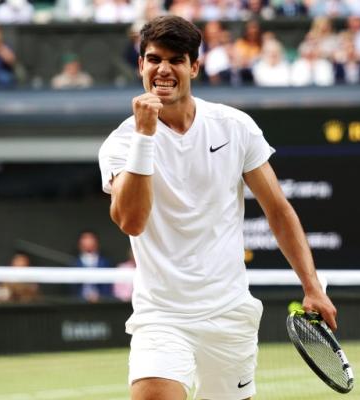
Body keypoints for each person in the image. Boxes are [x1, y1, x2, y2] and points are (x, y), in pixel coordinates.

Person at [98, 16, 337, 400]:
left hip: (228, 313)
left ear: (194, 66)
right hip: (161, 315)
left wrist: (313, 286)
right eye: (154, 58)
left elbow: (278, 210)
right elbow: (131, 221)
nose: (163, 69)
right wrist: (145, 136)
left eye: (176, 60)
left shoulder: (234, 126)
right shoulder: (122, 143)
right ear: (141, 64)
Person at [72, 230, 113, 302]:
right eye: (85, 239)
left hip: (102, 303)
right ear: (79, 244)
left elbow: (108, 287)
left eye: (91, 239)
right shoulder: (73, 263)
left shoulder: (105, 262)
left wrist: (101, 298)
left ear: (97, 243)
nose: (88, 242)